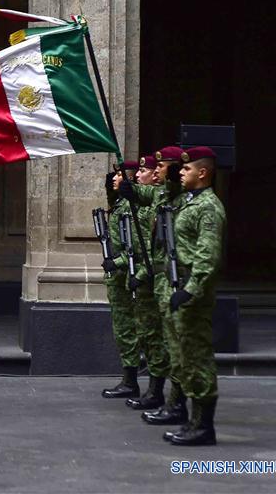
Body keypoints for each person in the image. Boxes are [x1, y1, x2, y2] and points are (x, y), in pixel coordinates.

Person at [118, 146, 185, 424]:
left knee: (175, 343)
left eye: (161, 167)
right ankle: (160, 395)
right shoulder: (161, 195)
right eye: (150, 168)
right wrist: (124, 182)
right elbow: (135, 192)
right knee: (154, 337)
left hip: (172, 281)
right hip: (157, 281)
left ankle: (177, 404)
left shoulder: (182, 200)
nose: (156, 171)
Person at [165, 146, 225, 446]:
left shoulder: (209, 207)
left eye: (186, 169)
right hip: (181, 290)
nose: (181, 172)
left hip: (194, 295)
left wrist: (190, 290)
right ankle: (192, 420)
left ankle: (204, 427)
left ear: (202, 172)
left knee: (198, 357)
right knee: (184, 356)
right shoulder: (189, 202)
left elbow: (208, 255)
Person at [124, 154, 170, 412]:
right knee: (148, 336)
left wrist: (139, 274)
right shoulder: (153, 199)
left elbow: (153, 250)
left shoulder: (163, 199)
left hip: (156, 280)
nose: (139, 173)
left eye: (146, 169)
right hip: (148, 280)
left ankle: (161, 393)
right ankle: (154, 390)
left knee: (158, 338)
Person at [100, 161, 141, 399]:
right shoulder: (119, 204)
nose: (114, 178)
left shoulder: (130, 207)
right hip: (118, 278)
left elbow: (136, 247)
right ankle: (129, 379)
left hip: (127, 276)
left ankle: (132, 381)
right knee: (123, 330)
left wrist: (117, 263)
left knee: (130, 330)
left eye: (118, 175)